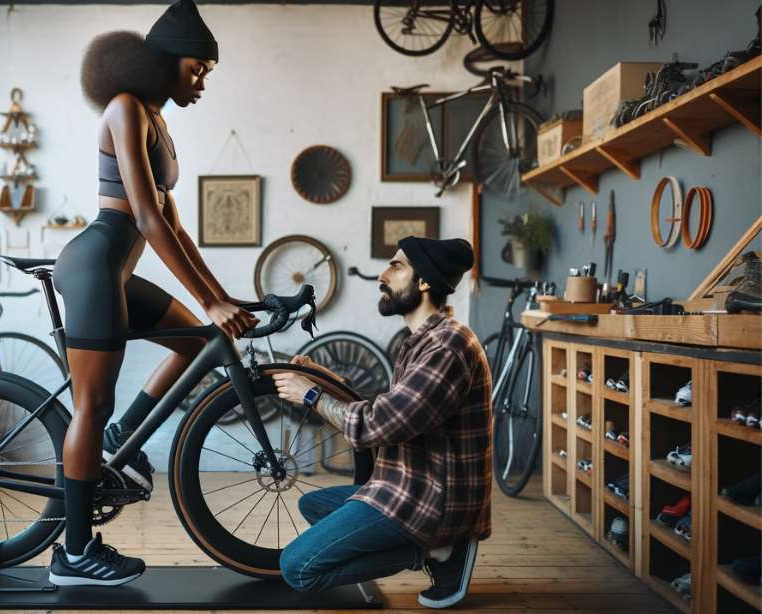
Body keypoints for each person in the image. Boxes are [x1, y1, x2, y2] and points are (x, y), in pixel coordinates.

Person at [48, 0, 258, 587]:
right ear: (165, 60)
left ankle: (122, 438)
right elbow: (145, 217)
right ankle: (74, 555)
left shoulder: (157, 122)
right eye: (197, 69)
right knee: (92, 406)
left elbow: (176, 229)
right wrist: (211, 301)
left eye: (207, 73)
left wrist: (222, 298)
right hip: (93, 266)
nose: (202, 82)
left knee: (196, 342)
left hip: (113, 271)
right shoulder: (124, 108)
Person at [272, 237, 492, 609]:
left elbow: (378, 427)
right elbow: (393, 411)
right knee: (314, 505)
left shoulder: (447, 347)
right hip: (402, 483)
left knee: (297, 568)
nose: (383, 276)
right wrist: (327, 380)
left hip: (430, 499)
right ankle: (427, 544)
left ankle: (438, 550)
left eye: (397, 266)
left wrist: (311, 396)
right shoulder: (424, 340)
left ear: (424, 282)